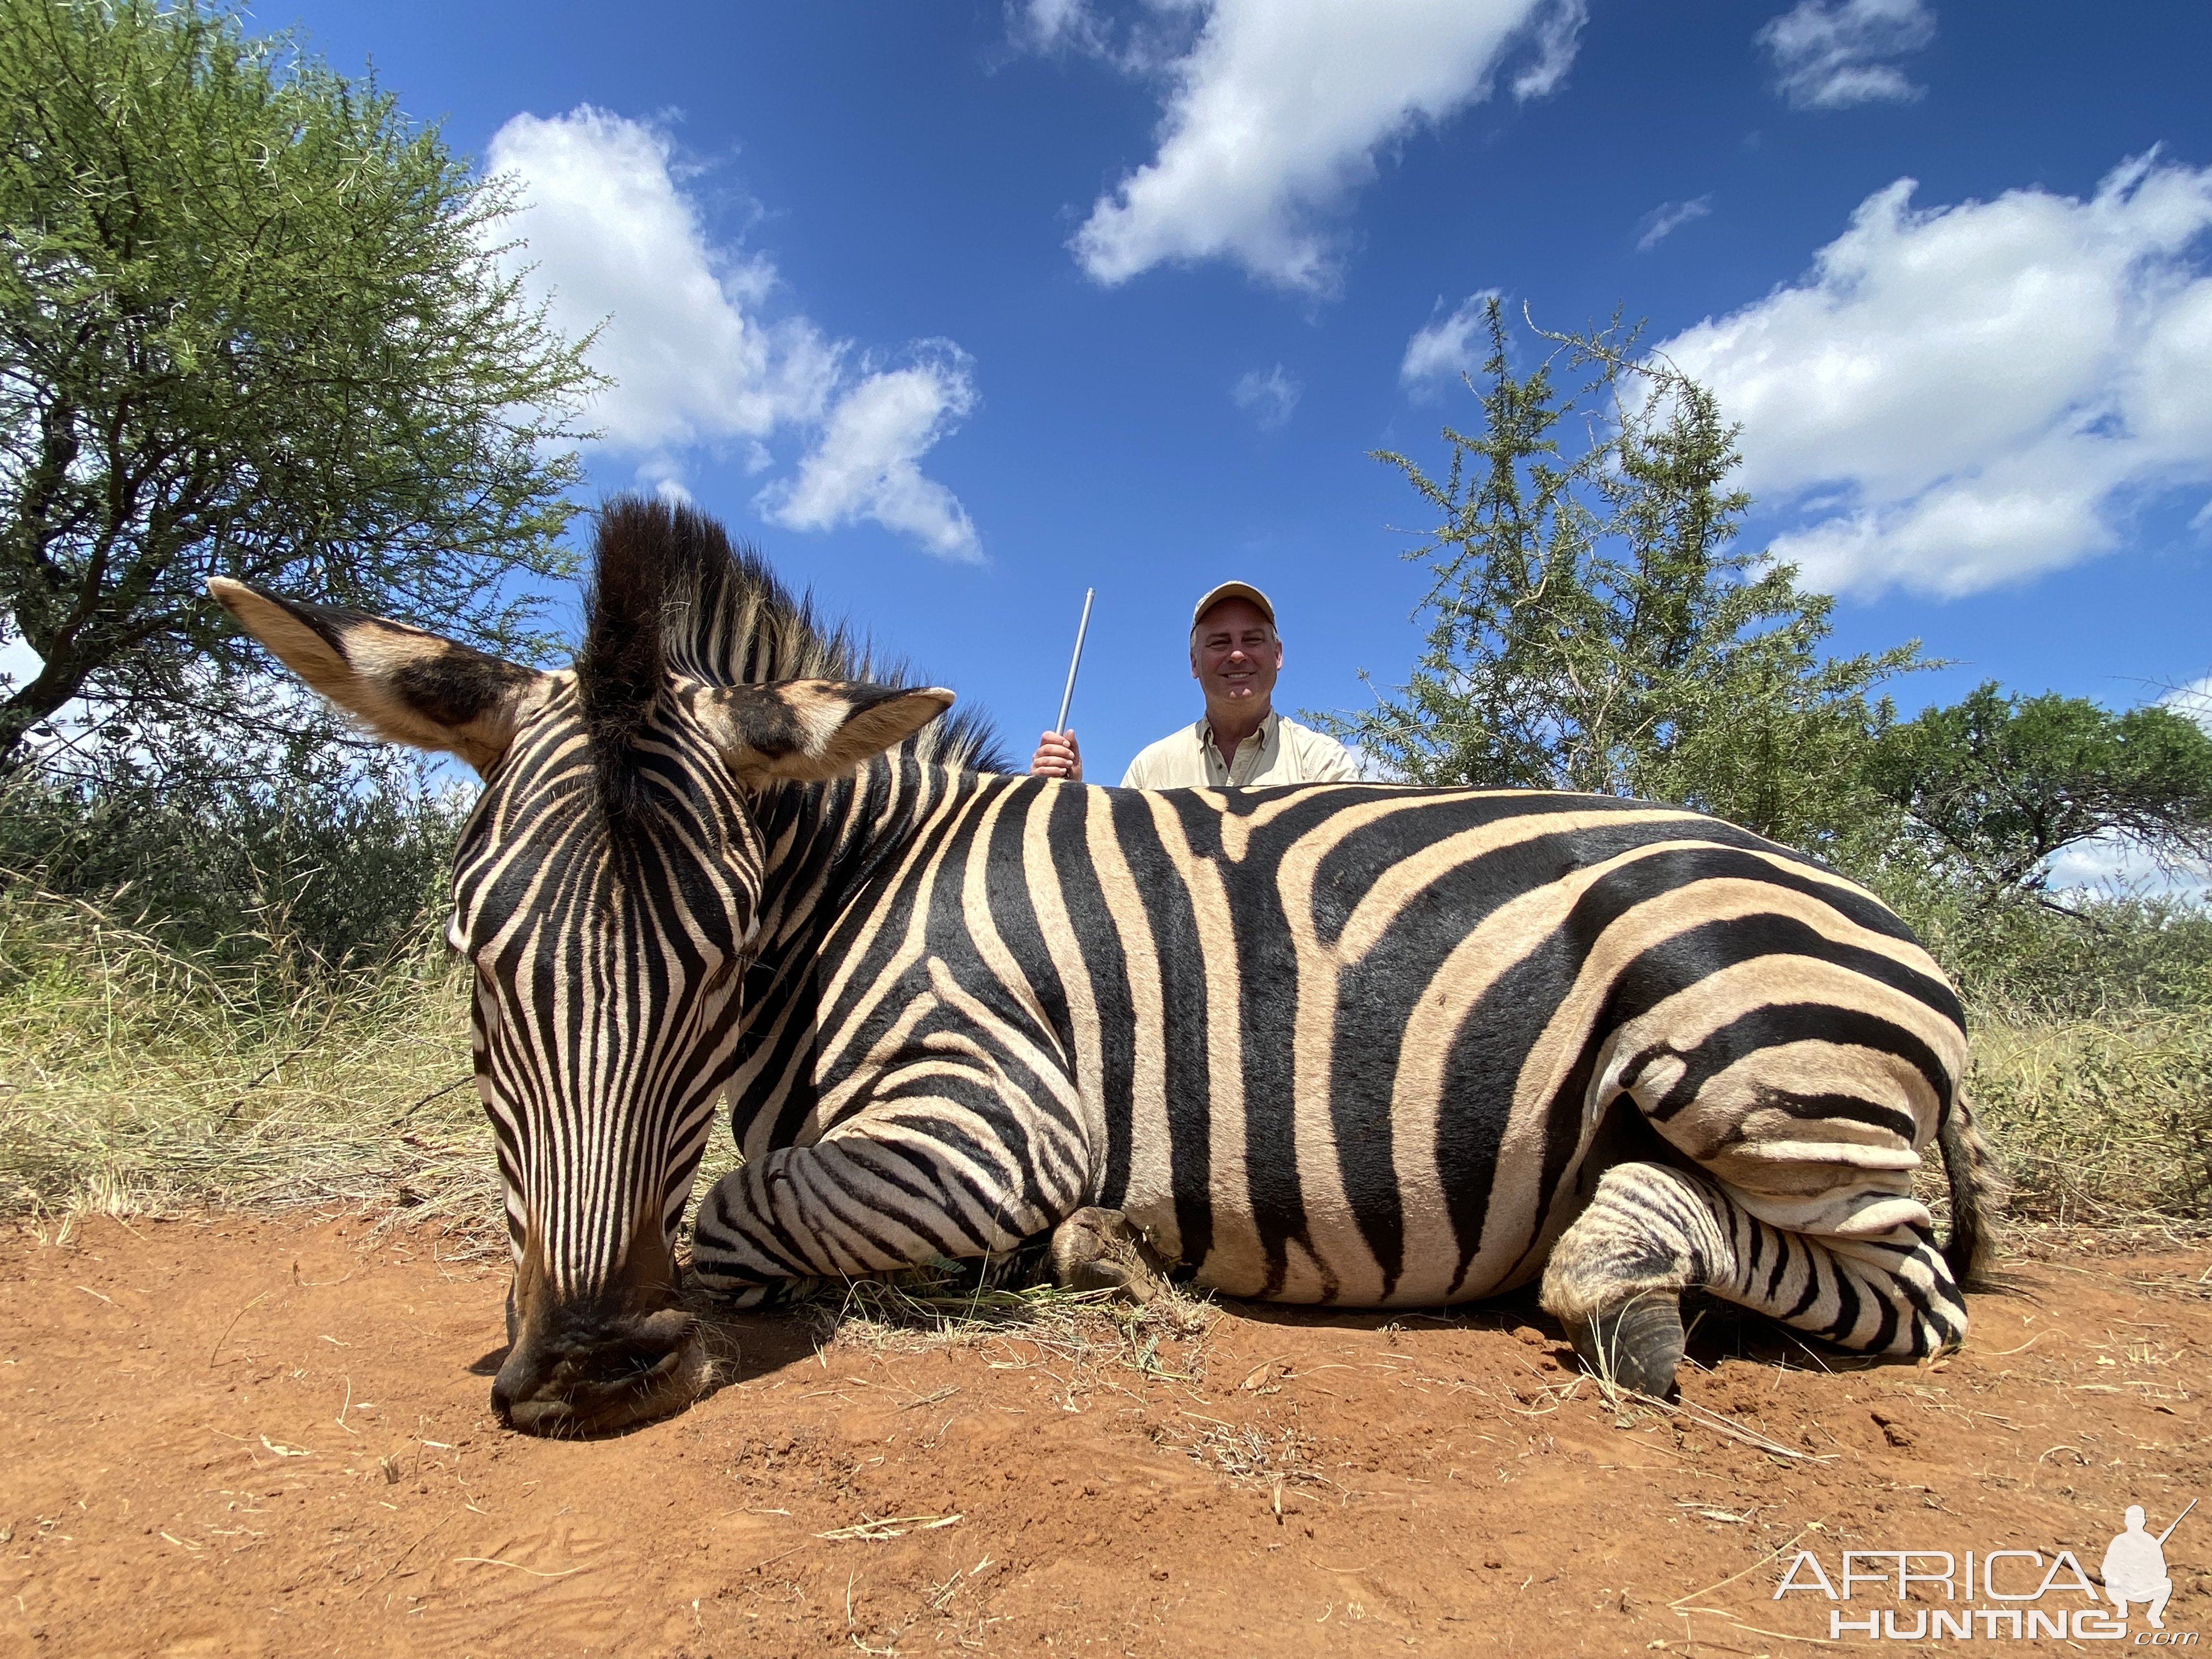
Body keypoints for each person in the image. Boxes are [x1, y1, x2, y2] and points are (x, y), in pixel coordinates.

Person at [1029, 580, 1362, 787]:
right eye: (1219, 643)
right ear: (1193, 664)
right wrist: (1067, 799)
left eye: (1252, 640)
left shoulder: (1323, 765)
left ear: (1277, 655)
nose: (1236, 654)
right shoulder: (1150, 769)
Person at [2102, 1505, 2174, 1628]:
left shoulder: (2151, 1542)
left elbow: (2162, 1569)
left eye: (2139, 1521)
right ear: (2127, 1522)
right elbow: (2106, 1567)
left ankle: (2154, 1616)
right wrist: (2117, 1576)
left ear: (2144, 1522)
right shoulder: (2119, 1541)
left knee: (2167, 1584)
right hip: (2122, 1587)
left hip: (2143, 1587)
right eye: (2132, 1521)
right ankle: (2122, 1607)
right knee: (2112, 1584)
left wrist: (2146, 1573)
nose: (2136, 1524)